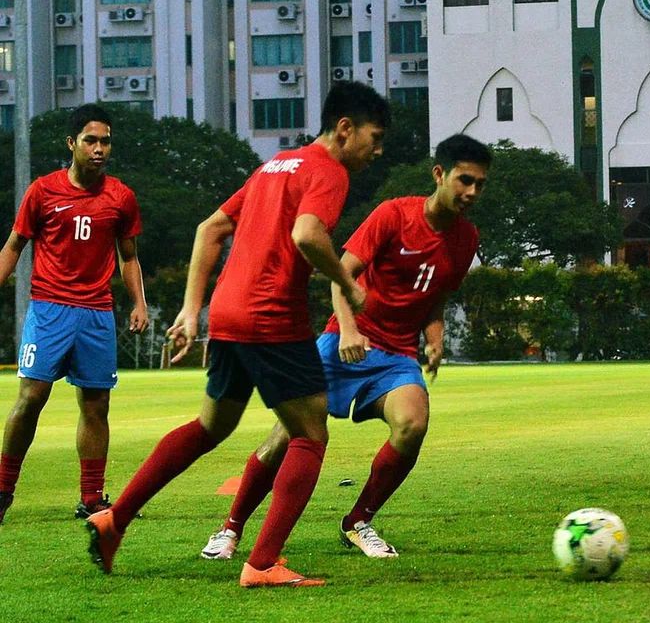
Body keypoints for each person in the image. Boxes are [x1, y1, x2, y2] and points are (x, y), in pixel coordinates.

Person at [84, 80, 390, 588]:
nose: (377, 151)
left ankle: (114, 519)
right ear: (344, 129)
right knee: (311, 434)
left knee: (210, 427)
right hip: (271, 315)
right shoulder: (329, 171)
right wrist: (347, 285)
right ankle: (264, 563)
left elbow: (210, 228)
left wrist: (191, 310)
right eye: (374, 138)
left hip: (227, 313)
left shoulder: (273, 166)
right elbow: (308, 235)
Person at [198, 134, 489, 562]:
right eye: (465, 180)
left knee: (413, 423)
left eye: (481, 184)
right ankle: (230, 529)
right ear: (439, 174)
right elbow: (343, 274)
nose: (472, 192)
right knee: (286, 437)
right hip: (342, 342)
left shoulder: (467, 239)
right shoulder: (393, 214)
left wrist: (434, 337)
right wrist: (350, 331)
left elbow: (436, 295)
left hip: (395, 357)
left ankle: (358, 521)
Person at [0, 104, 148, 525]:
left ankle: (92, 499)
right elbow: (14, 246)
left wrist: (138, 302)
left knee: (96, 405)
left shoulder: (121, 196)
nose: (99, 148)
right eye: (91, 140)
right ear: (72, 143)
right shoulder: (43, 191)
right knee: (30, 398)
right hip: (49, 309)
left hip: (97, 313)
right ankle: (3, 490)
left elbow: (130, 257)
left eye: (105, 141)